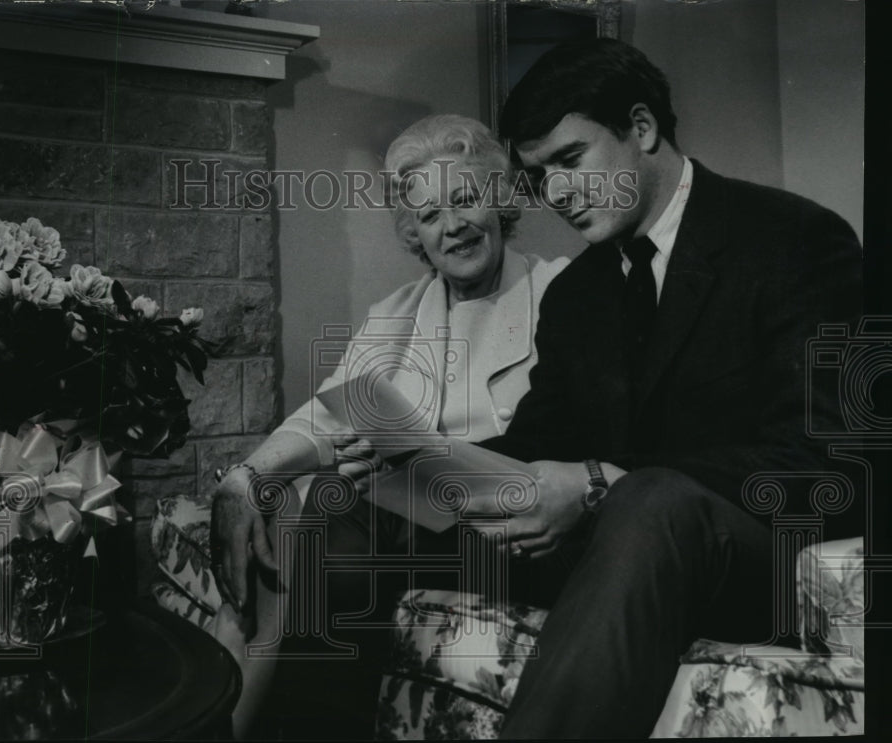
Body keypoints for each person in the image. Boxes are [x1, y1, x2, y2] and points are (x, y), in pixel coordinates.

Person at [451, 37, 863, 738]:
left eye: (570, 160)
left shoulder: (797, 239)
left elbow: (832, 462)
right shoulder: (576, 293)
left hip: (763, 560)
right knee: (347, 523)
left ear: (641, 128)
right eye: (540, 175)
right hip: (619, 560)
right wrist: (417, 465)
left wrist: (604, 482)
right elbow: (536, 443)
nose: (556, 195)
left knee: (650, 499)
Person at [195, 114, 568, 738]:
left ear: (500, 200)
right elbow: (321, 418)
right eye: (430, 215)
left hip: (506, 526)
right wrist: (244, 478)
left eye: (466, 199)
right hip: (411, 524)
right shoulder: (396, 313)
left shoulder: (559, 290)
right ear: (414, 233)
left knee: (325, 513)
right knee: (293, 504)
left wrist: (407, 465)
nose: (452, 226)